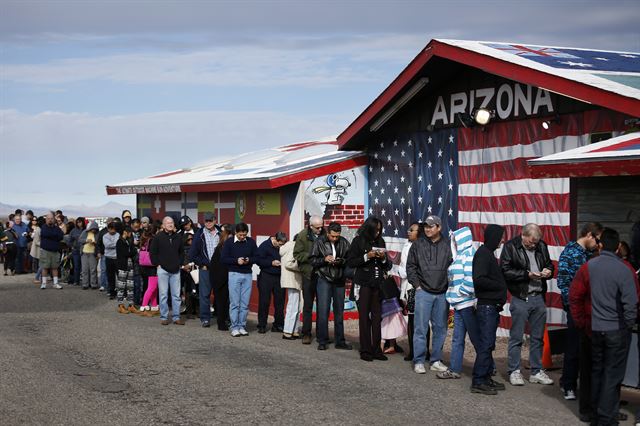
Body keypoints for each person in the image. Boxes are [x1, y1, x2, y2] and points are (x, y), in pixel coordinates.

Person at [571, 228, 638, 425]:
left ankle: (596, 415)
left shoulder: (588, 267)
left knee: (597, 372)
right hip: (615, 329)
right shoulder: (626, 269)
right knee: (612, 375)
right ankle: (606, 418)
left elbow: (574, 295)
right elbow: (631, 303)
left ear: (600, 245)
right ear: (618, 247)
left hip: (595, 329)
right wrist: (628, 325)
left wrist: (582, 322)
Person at [501, 223, 554, 386]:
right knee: (517, 336)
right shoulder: (511, 247)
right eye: (531, 242)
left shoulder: (541, 246)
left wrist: (548, 271)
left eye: (536, 243)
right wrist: (526, 275)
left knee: (538, 338)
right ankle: (514, 371)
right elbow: (505, 270)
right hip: (521, 297)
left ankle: (536, 371)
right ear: (522, 235)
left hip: (538, 296)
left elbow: (549, 264)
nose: (533, 245)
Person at [556, 222, 603, 401]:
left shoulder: (589, 254)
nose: (598, 244)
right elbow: (563, 282)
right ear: (590, 235)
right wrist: (574, 306)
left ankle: (584, 385)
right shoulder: (570, 253)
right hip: (576, 309)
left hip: (589, 309)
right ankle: (568, 384)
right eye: (597, 239)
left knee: (587, 349)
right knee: (574, 348)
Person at [407, 215, 453, 374]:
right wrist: (417, 286)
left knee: (440, 328)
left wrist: (450, 287)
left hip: (442, 293)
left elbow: (453, 267)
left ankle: (436, 360)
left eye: (431, 226)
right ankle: (419, 360)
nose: (427, 229)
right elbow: (411, 267)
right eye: (425, 226)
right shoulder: (417, 244)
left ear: (439, 227)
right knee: (420, 328)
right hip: (423, 292)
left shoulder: (448, 245)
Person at [438, 226, 479, 380]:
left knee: (476, 338)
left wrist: (461, 293)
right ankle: (455, 369)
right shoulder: (460, 255)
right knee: (457, 338)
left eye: (455, 239)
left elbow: (471, 279)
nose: (453, 241)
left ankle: (488, 367)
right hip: (459, 304)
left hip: (467, 304)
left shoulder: (469, 255)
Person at [471, 224, 507, 395]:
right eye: (501, 236)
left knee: (489, 344)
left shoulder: (488, 254)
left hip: (491, 306)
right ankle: (478, 381)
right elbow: (478, 279)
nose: (503, 240)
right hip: (486, 307)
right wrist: (499, 285)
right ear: (493, 237)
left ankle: (485, 377)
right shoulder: (483, 254)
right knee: (485, 344)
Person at [346, 216, 390, 361]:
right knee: (364, 317)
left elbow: (387, 265)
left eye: (379, 230)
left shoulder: (380, 241)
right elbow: (351, 262)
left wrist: (383, 258)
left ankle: (376, 349)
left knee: (377, 317)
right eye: (375, 230)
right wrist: (367, 256)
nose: (378, 233)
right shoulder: (358, 241)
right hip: (363, 283)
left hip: (377, 284)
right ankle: (365, 350)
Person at [309, 221, 352, 351]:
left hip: (339, 279)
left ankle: (340, 341)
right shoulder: (319, 242)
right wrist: (324, 260)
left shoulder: (344, 242)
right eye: (332, 236)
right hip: (324, 278)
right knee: (323, 311)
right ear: (328, 233)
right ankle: (322, 340)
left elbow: (350, 260)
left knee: (339, 311)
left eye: (337, 236)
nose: (335, 238)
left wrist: (341, 261)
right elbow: (312, 260)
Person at [221, 222, 257, 337]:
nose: (242, 237)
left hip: (247, 274)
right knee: (235, 302)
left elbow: (257, 257)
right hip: (234, 274)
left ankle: (242, 325)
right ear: (236, 232)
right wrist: (236, 261)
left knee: (245, 303)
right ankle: (234, 326)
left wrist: (248, 260)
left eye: (244, 235)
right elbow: (223, 259)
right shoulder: (229, 243)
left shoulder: (251, 242)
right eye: (240, 235)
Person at [293, 215, 325, 345]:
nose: (320, 229)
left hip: (322, 274)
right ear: (311, 226)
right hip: (308, 274)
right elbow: (297, 254)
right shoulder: (303, 236)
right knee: (308, 306)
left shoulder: (325, 234)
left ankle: (321, 333)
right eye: (317, 227)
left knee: (322, 306)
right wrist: (311, 255)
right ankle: (306, 333)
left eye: (321, 226)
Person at [150, 216, 185, 326]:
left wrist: (179, 263)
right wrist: (158, 264)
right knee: (164, 294)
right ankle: (164, 317)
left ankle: (176, 317)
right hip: (163, 270)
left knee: (176, 295)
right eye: (168, 223)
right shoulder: (158, 237)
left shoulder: (178, 237)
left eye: (172, 223)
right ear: (163, 225)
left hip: (175, 270)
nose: (170, 224)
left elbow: (181, 252)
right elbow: (153, 253)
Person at [188, 212, 220, 327]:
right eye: (206, 221)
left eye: (210, 220)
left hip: (219, 270)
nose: (208, 223)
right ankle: (205, 318)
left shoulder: (221, 233)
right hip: (205, 269)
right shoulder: (199, 234)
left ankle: (221, 317)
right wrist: (203, 263)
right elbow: (192, 254)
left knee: (221, 294)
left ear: (215, 220)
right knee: (204, 295)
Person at [399, 222, 423, 362]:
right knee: (412, 319)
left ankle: (423, 351)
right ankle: (413, 351)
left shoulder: (422, 247)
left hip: (419, 285)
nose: (408, 232)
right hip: (409, 286)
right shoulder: (407, 245)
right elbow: (403, 266)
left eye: (412, 230)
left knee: (422, 320)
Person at [256, 232, 287, 333]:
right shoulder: (264, 246)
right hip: (266, 275)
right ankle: (262, 325)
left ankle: (278, 324)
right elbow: (258, 260)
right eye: (280, 244)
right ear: (275, 240)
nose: (281, 246)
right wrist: (271, 263)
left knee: (280, 302)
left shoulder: (283, 246)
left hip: (279, 277)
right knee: (264, 301)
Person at [209, 224, 233, 330]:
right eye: (230, 236)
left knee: (229, 302)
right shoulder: (219, 249)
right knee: (221, 301)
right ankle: (221, 322)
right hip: (220, 279)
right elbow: (215, 266)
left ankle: (228, 320)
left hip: (230, 278)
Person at [280, 236, 303, 340]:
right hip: (292, 279)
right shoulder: (294, 247)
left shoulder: (288, 246)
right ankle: (288, 331)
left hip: (291, 279)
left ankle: (294, 330)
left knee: (296, 306)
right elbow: (289, 263)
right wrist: (301, 267)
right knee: (293, 306)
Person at [138, 225, 159, 316]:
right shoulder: (153, 239)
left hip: (143, 265)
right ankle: (143, 306)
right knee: (152, 287)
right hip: (151, 265)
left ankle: (154, 305)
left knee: (153, 287)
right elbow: (155, 252)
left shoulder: (144, 238)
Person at [39, 212, 64, 289]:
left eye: (51, 219)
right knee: (45, 267)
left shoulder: (57, 228)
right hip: (45, 251)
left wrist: (52, 235)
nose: (50, 220)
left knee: (55, 267)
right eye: (48, 219)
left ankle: (55, 283)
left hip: (55, 251)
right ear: (46, 219)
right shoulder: (43, 227)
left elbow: (61, 236)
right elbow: (45, 234)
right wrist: (54, 235)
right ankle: (44, 283)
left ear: (54, 219)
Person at [116, 226, 137, 314]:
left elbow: (130, 252)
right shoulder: (119, 242)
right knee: (121, 287)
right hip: (122, 267)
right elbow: (126, 253)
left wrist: (132, 250)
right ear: (124, 232)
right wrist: (134, 251)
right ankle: (120, 305)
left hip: (130, 266)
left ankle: (131, 305)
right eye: (129, 232)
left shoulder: (129, 241)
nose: (130, 234)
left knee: (130, 286)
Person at [78, 221, 100, 289]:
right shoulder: (85, 232)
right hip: (84, 253)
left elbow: (99, 243)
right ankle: (85, 284)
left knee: (93, 270)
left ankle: (93, 284)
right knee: (85, 270)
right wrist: (86, 240)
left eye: (95, 229)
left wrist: (95, 243)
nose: (93, 230)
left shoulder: (97, 234)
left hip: (92, 253)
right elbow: (79, 240)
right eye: (92, 228)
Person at [103, 222, 120, 299]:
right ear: (108, 229)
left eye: (114, 229)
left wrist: (113, 244)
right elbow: (107, 245)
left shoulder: (118, 234)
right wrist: (115, 244)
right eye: (111, 229)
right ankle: (112, 292)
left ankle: (121, 292)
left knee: (120, 276)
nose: (113, 230)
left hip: (117, 258)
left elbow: (119, 243)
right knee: (110, 276)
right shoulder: (105, 236)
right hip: (108, 258)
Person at [96, 217, 114, 291]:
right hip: (104, 253)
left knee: (111, 271)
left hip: (113, 254)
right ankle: (103, 285)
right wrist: (98, 252)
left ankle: (109, 285)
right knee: (103, 270)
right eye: (108, 222)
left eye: (110, 222)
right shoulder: (102, 231)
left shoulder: (115, 231)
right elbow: (98, 242)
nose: (109, 223)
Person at [68, 217, 86, 286]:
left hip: (84, 250)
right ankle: (76, 281)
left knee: (84, 267)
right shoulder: (73, 230)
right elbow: (69, 240)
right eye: (77, 222)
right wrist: (72, 246)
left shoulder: (86, 230)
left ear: (83, 222)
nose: (79, 223)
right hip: (76, 251)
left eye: (80, 222)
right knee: (76, 266)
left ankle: (85, 281)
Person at [29, 217, 42, 283]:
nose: (34, 221)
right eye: (33, 220)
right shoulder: (38, 229)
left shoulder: (37, 229)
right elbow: (36, 240)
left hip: (36, 247)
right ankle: (38, 277)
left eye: (35, 220)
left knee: (40, 263)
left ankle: (39, 277)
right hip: (37, 247)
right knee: (41, 263)